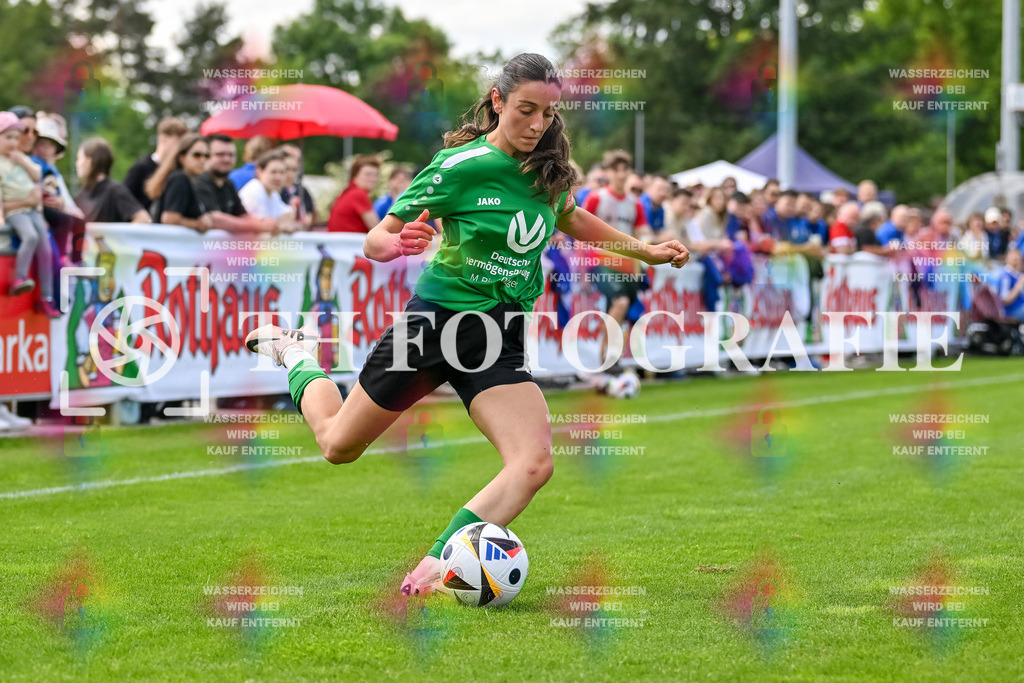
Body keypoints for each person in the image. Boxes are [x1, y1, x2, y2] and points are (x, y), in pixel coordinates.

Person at [243, 53, 689, 597]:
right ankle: (296, 354)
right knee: (338, 445)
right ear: (498, 102)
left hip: (497, 336)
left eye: (548, 114)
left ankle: (437, 565)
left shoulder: (545, 171)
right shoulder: (459, 167)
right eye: (525, 110)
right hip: (435, 325)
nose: (536, 125)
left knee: (532, 464)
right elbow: (376, 237)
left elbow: (572, 217)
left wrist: (645, 251)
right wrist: (394, 244)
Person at [582, 149, 651, 362]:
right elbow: (579, 228)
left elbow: (643, 232)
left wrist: (647, 252)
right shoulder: (596, 198)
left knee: (617, 307)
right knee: (620, 303)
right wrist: (583, 264)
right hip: (600, 260)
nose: (621, 175)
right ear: (609, 172)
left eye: (625, 170)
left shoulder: (635, 203)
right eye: (616, 170)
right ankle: (607, 356)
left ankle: (605, 354)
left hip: (627, 265)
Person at [0, 112, 59, 317]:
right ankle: (20, 278)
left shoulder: (21, 158)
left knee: (45, 246)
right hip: (17, 212)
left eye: (16, 138)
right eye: (8, 138)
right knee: (31, 237)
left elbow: (36, 174)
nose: (14, 143)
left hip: (32, 211)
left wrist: (22, 161)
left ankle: (47, 297)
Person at [193, 134, 280, 233]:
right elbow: (215, 218)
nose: (227, 159)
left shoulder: (228, 184)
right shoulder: (199, 182)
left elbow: (242, 215)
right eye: (220, 155)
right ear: (207, 156)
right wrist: (258, 226)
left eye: (231, 155)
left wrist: (265, 223)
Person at [32, 115, 87, 263]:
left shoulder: (53, 170)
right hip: (39, 209)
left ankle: (76, 259)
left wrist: (60, 202)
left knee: (77, 222)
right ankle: (61, 257)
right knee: (64, 221)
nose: (45, 149)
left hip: (52, 208)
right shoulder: (33, 164)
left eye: (49, 145)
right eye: (41, 144)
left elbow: (60, 195)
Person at [145, 134, 214, 231]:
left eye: (207, 155)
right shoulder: (180, 179)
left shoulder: (183, 179)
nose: (202, 160)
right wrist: (198, 225)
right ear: (182, 157)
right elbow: (169, 219)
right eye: (197, 155)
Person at [74, 137, 150, 223]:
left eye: (79, 158)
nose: (77, 164)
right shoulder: (80, 196)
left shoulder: (114, 191)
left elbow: (143, 219)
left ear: (89, 161)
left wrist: (119, 235)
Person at [124, 116, 188, 211]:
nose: (180, 147)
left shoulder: (178, 172)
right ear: (163, 138)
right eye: (177, 142)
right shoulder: (141, 167)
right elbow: (124, 200)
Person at [238, 149, 296, 223]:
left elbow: (289, 215)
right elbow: (264, 226)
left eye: (282, 172)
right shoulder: (255, 191)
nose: (278, 178)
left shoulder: (272, 193)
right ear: (259, 171)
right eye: (273, 172)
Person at [327, 155, 380, 233]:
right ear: (355, 176)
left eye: (376, 175)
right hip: (349, 243)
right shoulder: (358, 194)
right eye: (368, 174)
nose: (373, 179)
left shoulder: (347, 192)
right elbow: (377, 229)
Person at [280, 144, 316, 228]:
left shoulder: (302, 190)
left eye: (294, 170)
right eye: (287, 169)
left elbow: (310, 216)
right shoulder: (277, 192)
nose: (291, 174)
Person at [999, 248, 1024, 321]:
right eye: (1013, 254)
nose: (1016, 257)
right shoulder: (1006, 276)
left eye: (1018, 255)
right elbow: (1005, 300)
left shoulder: (1018, 275)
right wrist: (1019, 284)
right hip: (1012, 312)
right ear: (1006, 258)